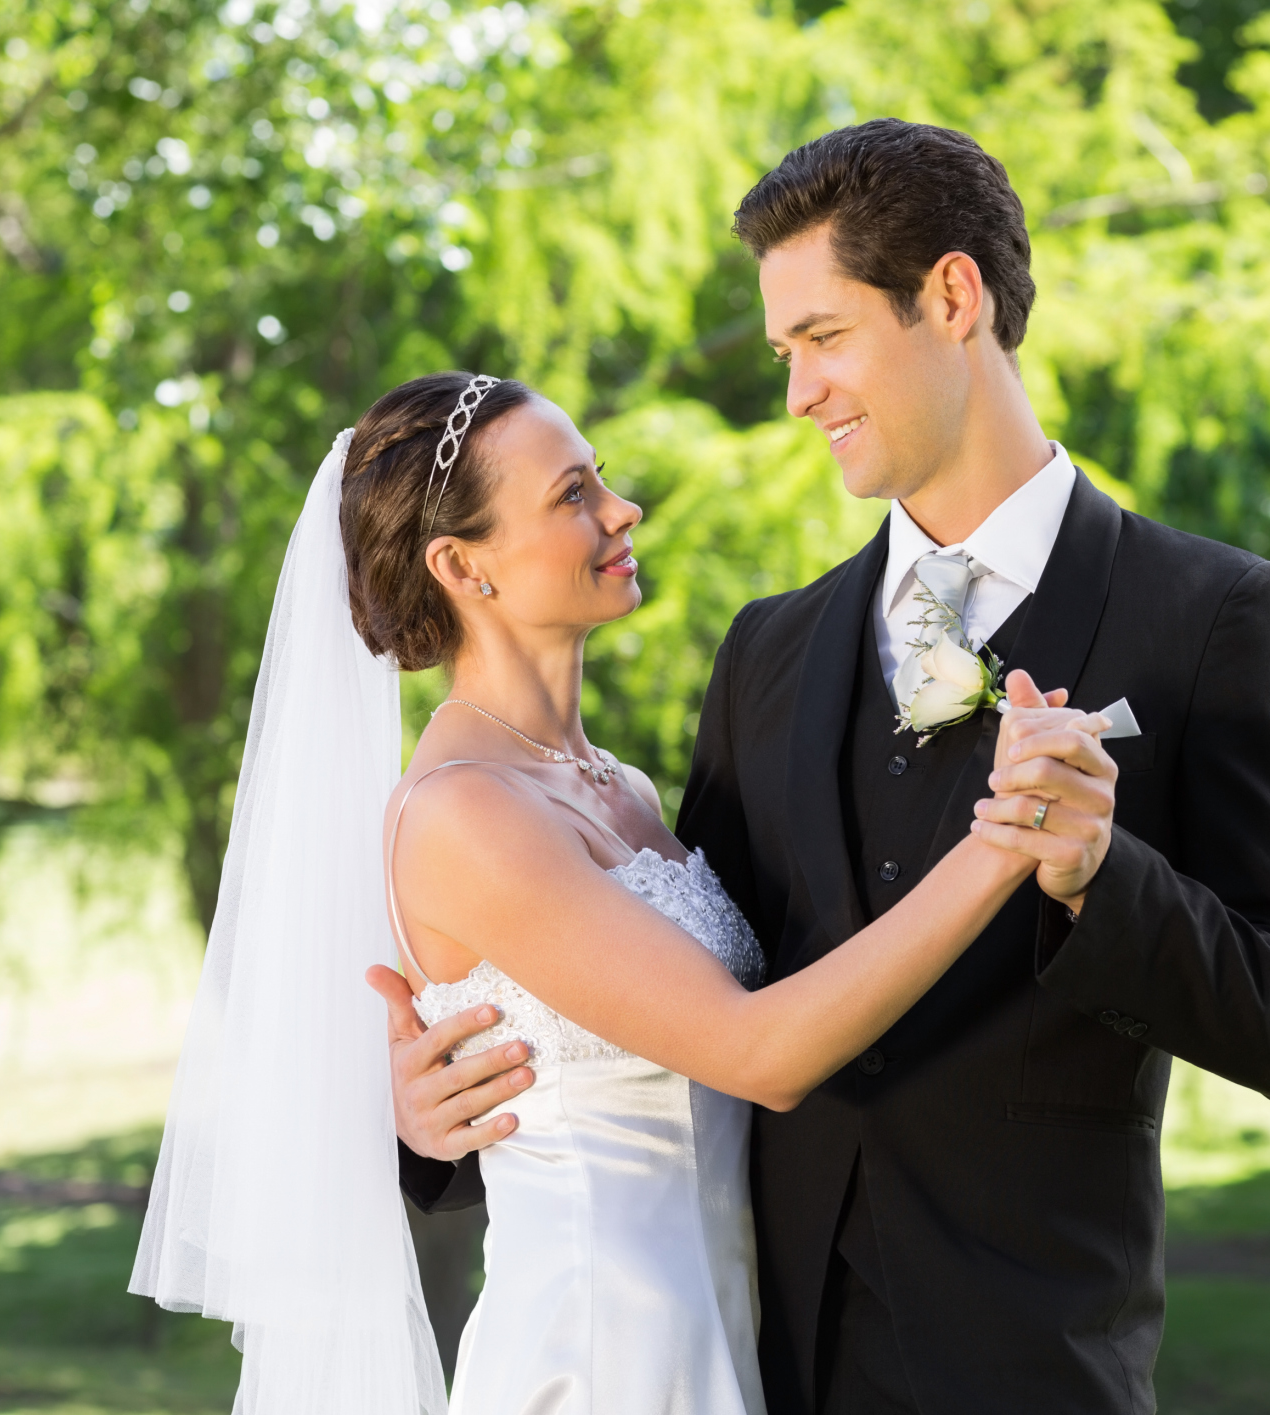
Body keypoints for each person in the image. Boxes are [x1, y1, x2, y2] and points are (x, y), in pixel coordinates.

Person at [388, 120, 1270, 1414]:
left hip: (1030, 1369)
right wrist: (434, 1127)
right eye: (786, 350)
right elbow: (679, 995)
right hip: (745, 1358)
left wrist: (1096, 876)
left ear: (951, 298)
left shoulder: (1204, 615)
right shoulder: (768, 651)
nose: (798, 393)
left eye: (823, 338)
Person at [133, 368, 1109, 1415]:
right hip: (601, 1355)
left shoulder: (625, 788)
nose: (620, 507)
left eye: (600, 477)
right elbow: (757, 1051)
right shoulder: (464, 810)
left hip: (728, 1331)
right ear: (462, 564)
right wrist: (1003, 841)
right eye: (570, 494)